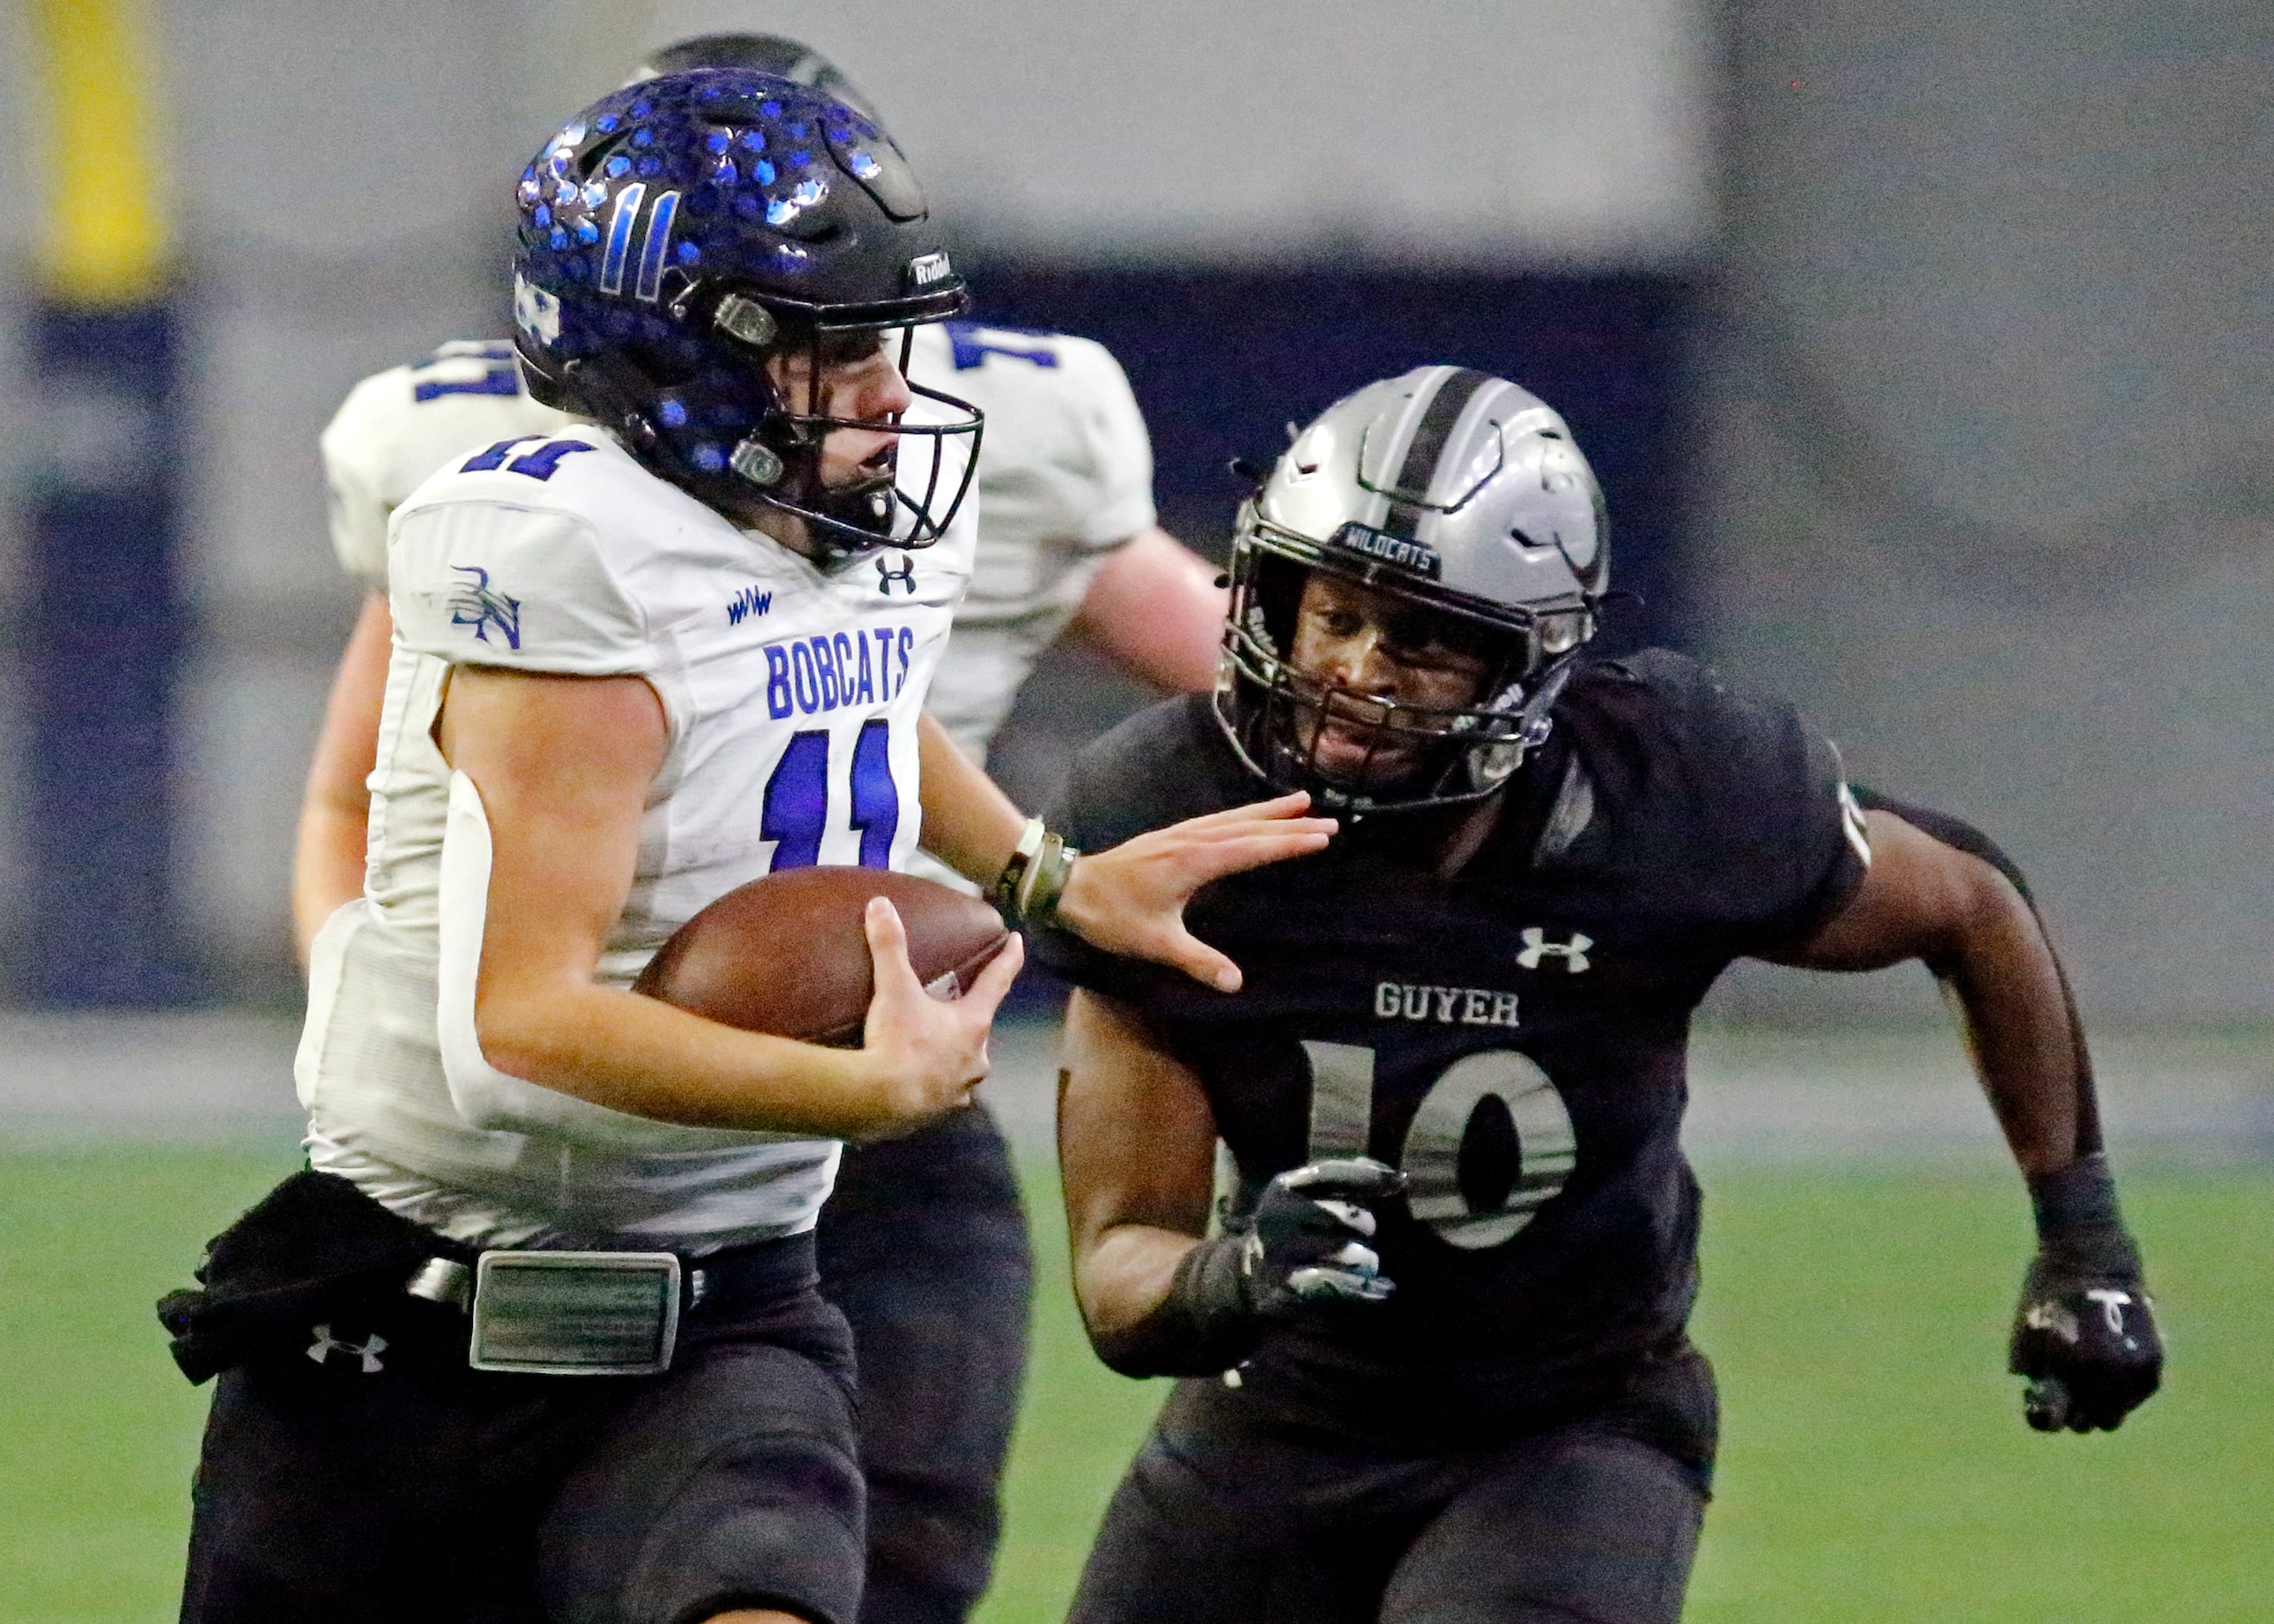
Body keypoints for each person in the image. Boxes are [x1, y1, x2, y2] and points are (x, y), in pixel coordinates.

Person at [163, 70, 1328, 1624]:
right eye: (832, 346)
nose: (890, 393)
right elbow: (522, 1021)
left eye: (888, 341)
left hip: (730, 1299)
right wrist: (866, 1089)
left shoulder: (836, 514)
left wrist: (1047, 878)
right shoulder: (566, 551)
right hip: (414, 1312)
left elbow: (865, 713)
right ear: (667, 345)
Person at [1037, 367, 2165, 1624]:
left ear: (1526, 658)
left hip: (1563, 1425)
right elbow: (1119, 1269)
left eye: (1418, 637)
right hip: (1280, 1412)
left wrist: (2085, 1239)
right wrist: (1232, 1278)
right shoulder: (1162, 823)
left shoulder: (1669, 791)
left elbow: (1968, 905)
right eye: (1331, 613)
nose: (1357, 672)